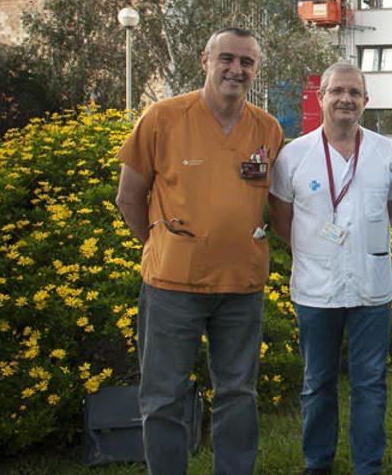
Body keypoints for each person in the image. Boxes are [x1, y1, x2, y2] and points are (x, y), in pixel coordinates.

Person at [115, 28, 283, 475]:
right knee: (164, 396)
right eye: (227, 58)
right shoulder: (163, 117)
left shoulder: (267, 128)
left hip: (241, 286)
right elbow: (129, 196)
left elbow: (272, 200)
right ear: (204, 61)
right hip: (173, 286)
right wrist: (158, 245)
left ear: (255, 70)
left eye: (247, 62)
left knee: (238, 393)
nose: (237, 69)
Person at [268, 62, 392, 475]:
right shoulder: (294, 155)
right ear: (321, 97)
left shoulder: (385, 152)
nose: (346, 99)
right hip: (315, 289)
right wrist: (317, 253)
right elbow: (281, 219)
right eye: (337, 91)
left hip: (371, 289)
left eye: (354, 92)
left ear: (365, 101)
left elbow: (391, 211)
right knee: (317, 384)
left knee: (370, 384)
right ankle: (317, 463)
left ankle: (368, 466)